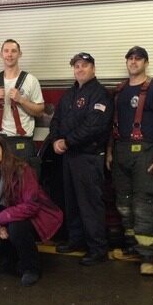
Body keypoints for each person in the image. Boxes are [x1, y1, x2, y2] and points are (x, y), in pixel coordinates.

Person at [106, 46, 153, 276]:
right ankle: (132, 248)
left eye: (138, 59)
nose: (134, 62)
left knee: (144, 204)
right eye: (130, 58)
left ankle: (148, 257)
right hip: (121, 152)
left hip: (146, 152)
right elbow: (112, 125)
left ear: (146, 62)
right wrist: (109, 152)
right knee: (124, 203)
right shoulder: (120, 91)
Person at [48, 52, 113, 266]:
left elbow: (94, 126)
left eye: (84, 65)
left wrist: (67, 142)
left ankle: (97, 249)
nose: (80, 69)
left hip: (88, 157)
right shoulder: (69, 94)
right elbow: (56, 119)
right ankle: (76, 240)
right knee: (72, 201)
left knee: (90, 204)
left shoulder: (100, 94)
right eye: (76, 66)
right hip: (70, 157)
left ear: (93, 68)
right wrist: (56, 139)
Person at [0, 134, 63, 286]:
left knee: (17, 229)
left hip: (32, 217)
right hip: (4, 217)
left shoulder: (22, 170)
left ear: (4, 152)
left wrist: (1, 219)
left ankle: (31, 268)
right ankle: (12, 258)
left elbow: (31, 205)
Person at [0, 39, 44, 161]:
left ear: (20, 54)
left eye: (14, 51)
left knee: (23, 179)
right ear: (1, 54)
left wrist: (21, 100)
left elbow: (40, 111)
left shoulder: (31, 80)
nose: (9, 54)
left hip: (22, 141)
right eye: (6, 51)